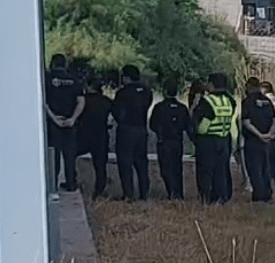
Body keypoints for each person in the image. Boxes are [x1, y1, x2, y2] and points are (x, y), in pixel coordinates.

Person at [193, 72, 236, 204]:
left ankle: (206, 198)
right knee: (221, 170)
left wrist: (195, 105)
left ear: (211, 84)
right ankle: (221, 197)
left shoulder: (207, 101)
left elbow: (201, 125)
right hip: (224, 139)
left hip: (208, 139)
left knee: (205, 171)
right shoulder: (231, 100)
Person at [46, 54, 85, 192]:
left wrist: (54, 118)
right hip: (70, 123)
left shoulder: (47, 79)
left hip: (53, 123)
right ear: (65, 65)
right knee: (70, 155)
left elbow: (44, 102)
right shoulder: (74, 81)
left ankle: (52, 185)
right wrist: (73, 118)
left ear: (52, 64)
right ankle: (71, 183)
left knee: (53, 156)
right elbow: (81, 102)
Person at [113, 65, 153, 200]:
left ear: (126, 77)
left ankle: (128, 194)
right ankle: (144, 193)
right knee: (141, 162)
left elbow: (117, 112)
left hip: (126, 128)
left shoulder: (122, 93)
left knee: (125, 162)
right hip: (141, 129)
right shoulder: (147, 91)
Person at [150, 78, 193, 199]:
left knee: (166, 169)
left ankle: (171, 192)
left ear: (164, 91)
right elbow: (188, 126)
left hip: (164, 141)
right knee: (177, 168)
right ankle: (178, 193)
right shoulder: (182, 108)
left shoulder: (159, 107)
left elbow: (152, 125)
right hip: (177, 141)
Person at [242, 77, 275, 202]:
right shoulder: (267, 100)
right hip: (267, 140)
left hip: (253, 140)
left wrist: (259, 135)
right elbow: (274, 119)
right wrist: (269, 134)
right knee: (266, 168)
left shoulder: (247, 101)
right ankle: (268, 194)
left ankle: (259, 195)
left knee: (254, 168)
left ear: (249, 87)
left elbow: (246, 122)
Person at [76, 77, 112, 199]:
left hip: (83, 135)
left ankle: (73, 181)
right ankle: (99, 192)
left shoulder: (82, 101)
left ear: (88, 86)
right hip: (101, 135)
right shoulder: (106, 101)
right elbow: (111, 119)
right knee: (100, 166)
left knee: (71, 157)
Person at [261, 81, 275, 184]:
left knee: (266, 156)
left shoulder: (267, 101)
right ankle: (273, 175)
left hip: (266, 131)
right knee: (272, 155)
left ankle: (268, 176)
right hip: (274, 131)